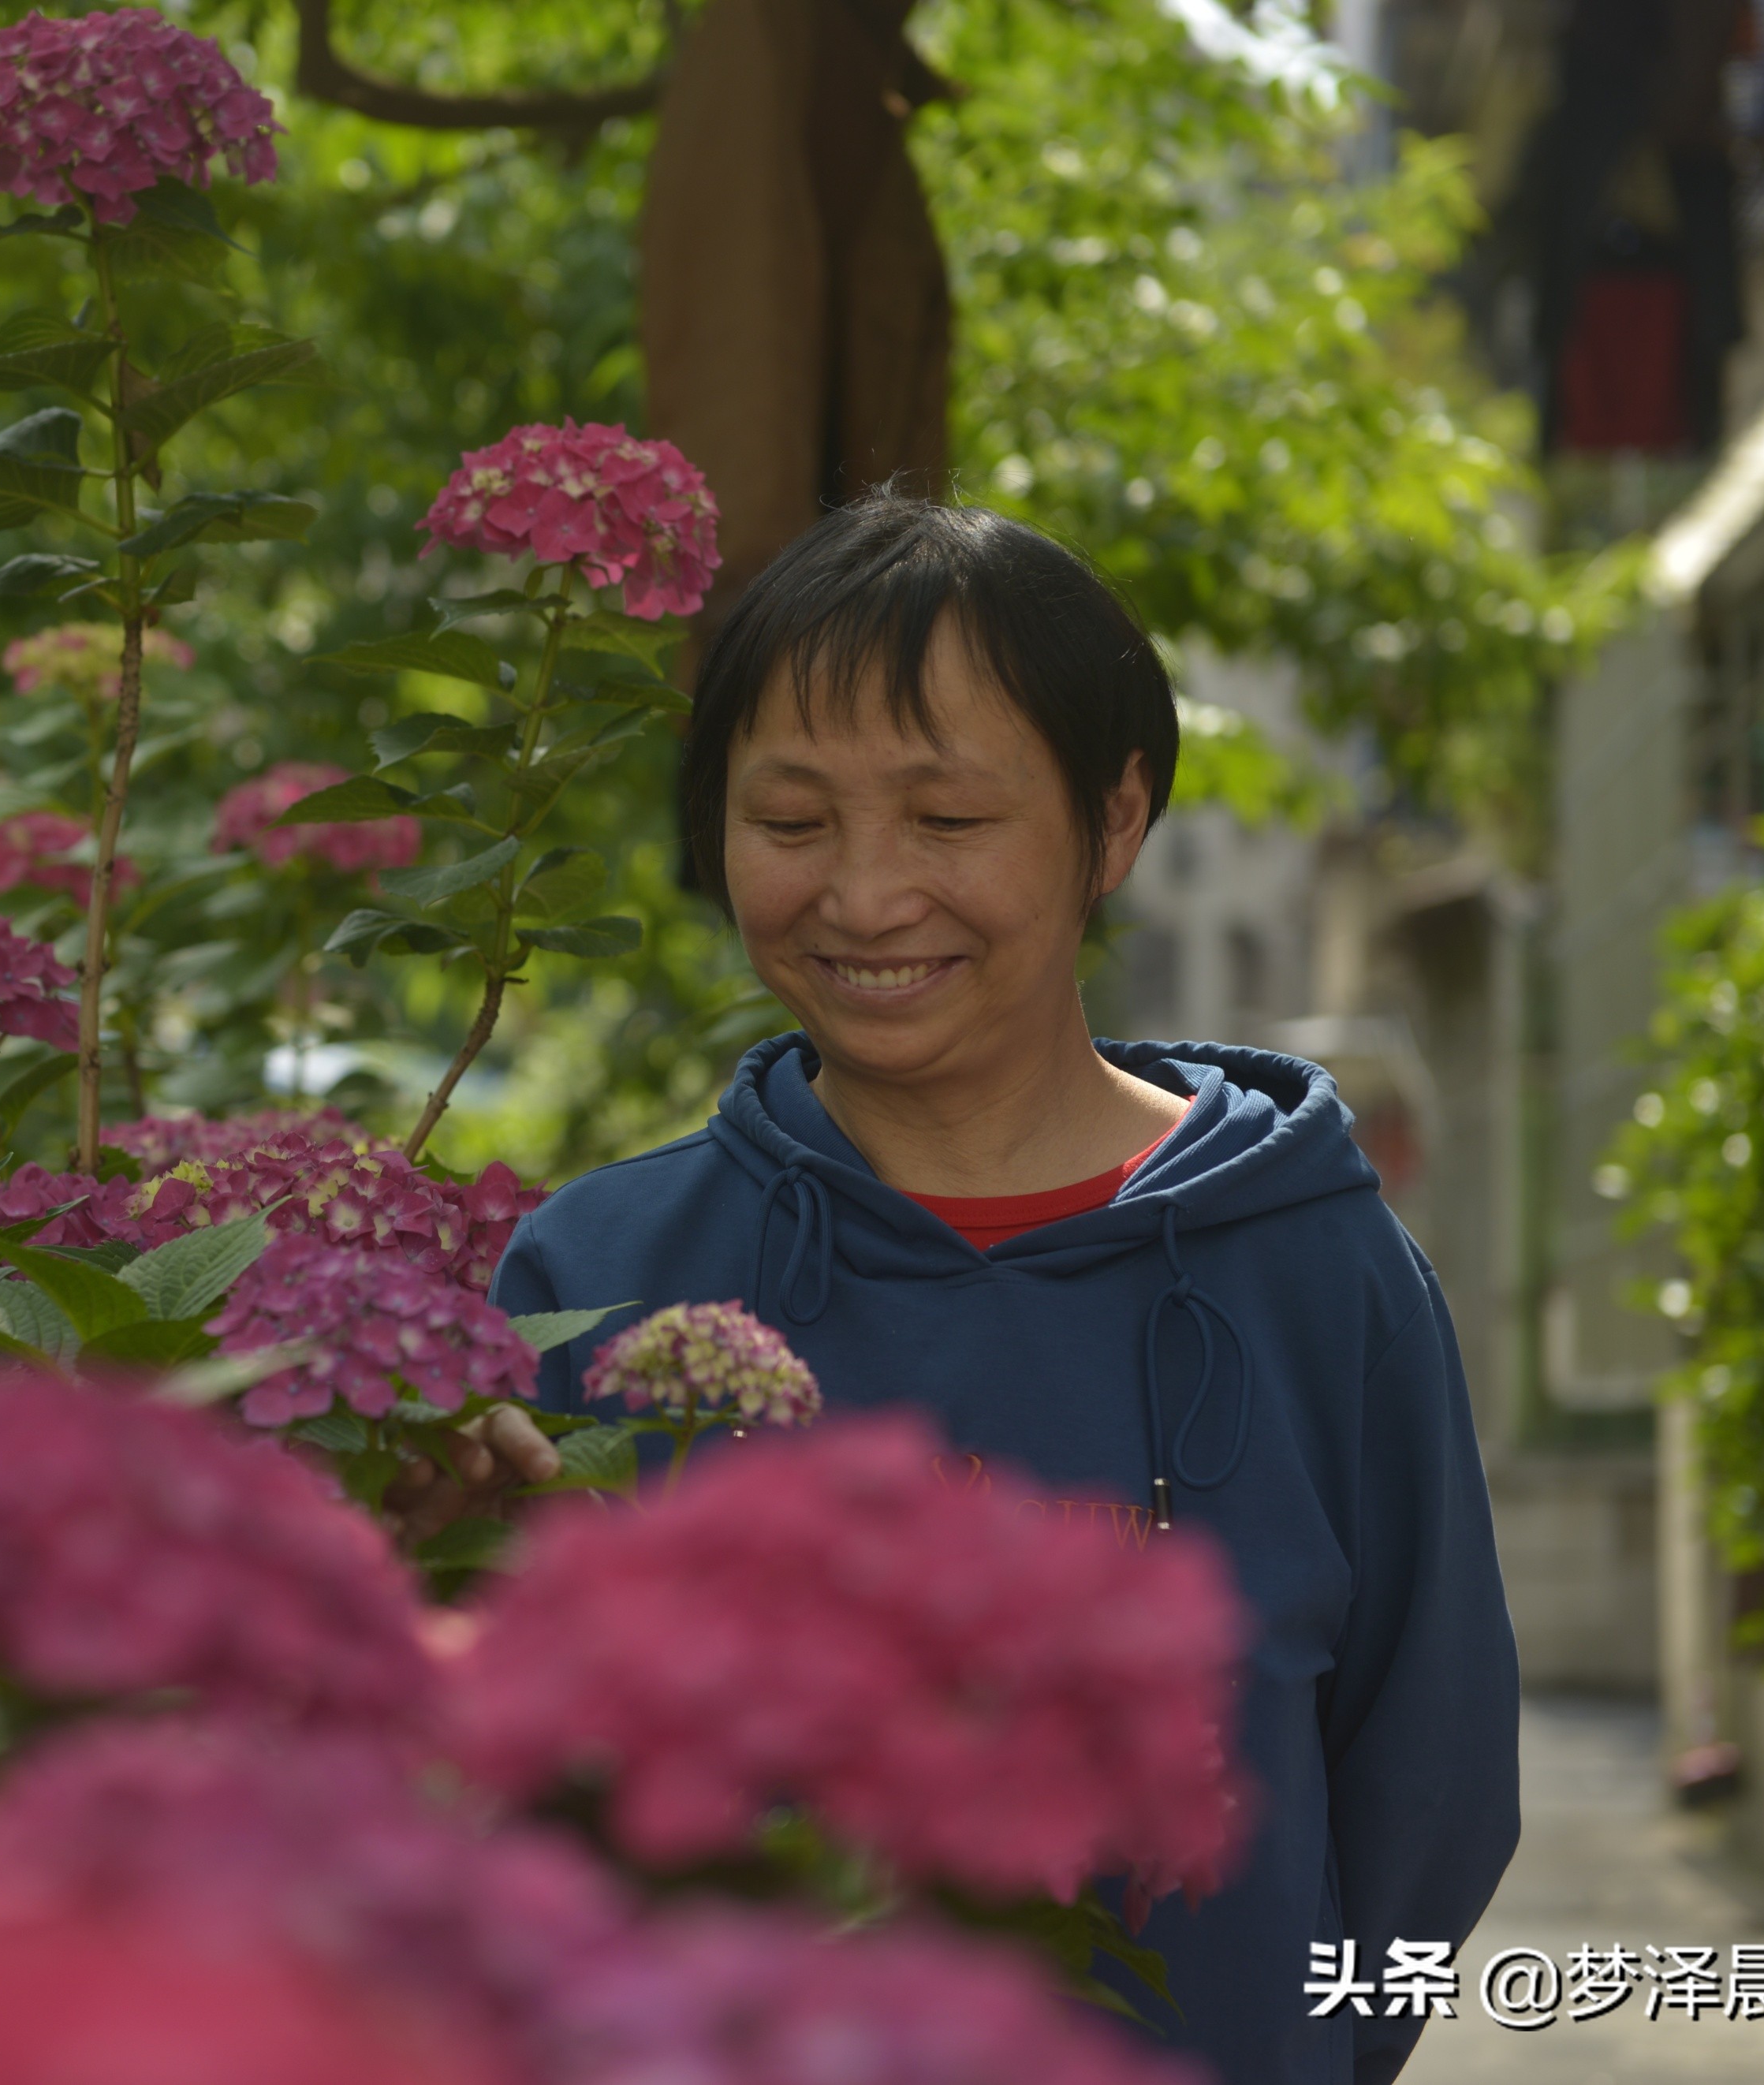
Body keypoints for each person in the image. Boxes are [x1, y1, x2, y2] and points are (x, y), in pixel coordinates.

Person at [487, 490, 1521, 2085]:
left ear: (1112, 820)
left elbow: (1430, 1787)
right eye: (789, 821)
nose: (863, 892)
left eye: (946, 820)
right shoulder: (597, 1278)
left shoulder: (1320, 1270)